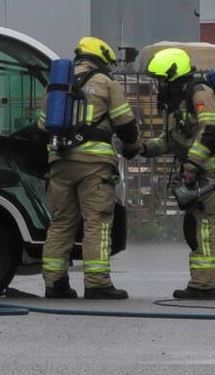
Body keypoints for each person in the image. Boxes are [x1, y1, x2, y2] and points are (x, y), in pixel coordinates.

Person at [37, 37, 139, 300]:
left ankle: (55, 285)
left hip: (59, 163)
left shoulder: (57, 85)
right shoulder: (106, 83)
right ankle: (97, 284)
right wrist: (131, 146)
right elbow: (126, 124)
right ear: (102, 59)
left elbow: (41, 127)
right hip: (94, 167)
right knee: (97, 223)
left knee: (60, 224)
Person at [127, 48, 215, 299]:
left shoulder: (199, 92)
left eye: (161, 80)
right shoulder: (180, 101)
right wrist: (144, 148)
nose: (159, 87)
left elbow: (211, 128)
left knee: (200, 226)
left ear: (173, 75)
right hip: (200, 169)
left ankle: (202, 286)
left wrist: (192, 166)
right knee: (202, 226)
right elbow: (172, 140)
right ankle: (211, 282)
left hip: (209, 170)